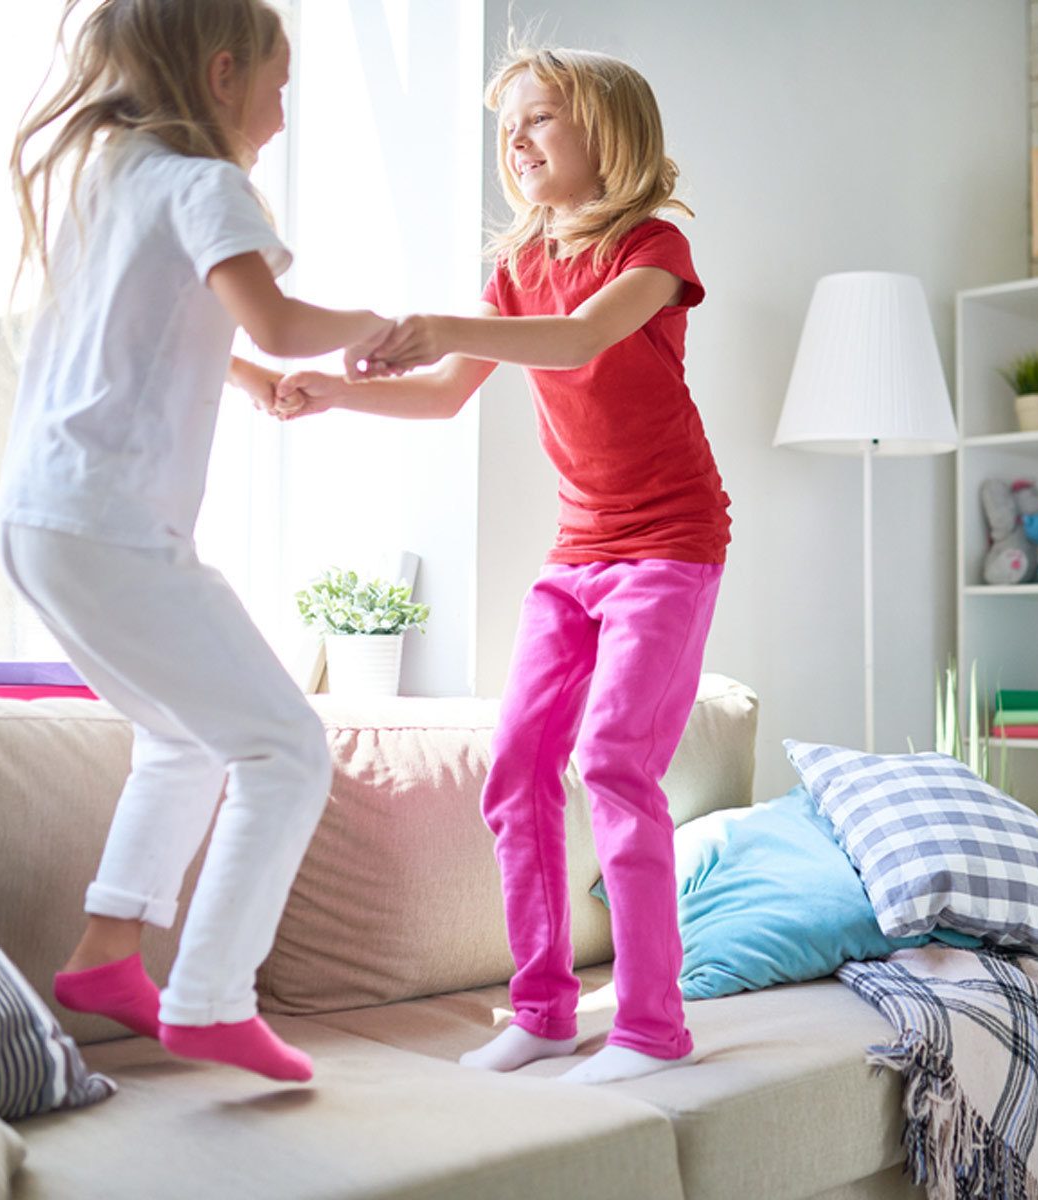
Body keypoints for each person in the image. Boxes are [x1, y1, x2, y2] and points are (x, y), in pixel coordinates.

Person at [273, 44, 731, 1085]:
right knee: (517, 767)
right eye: (507, 128)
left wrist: (433, 322)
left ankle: (655, 1028)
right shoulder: (519, 270)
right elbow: (442, 395)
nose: (516, 143)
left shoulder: (651, 249)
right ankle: (544, 1010)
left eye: (539, 121)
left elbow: (577, 343)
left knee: (614, 760)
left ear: (604, 133)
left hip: (670, 545)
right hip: (577, 554)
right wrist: (333, 391)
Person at [0, 0, 400, 1083]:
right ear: (222, 74)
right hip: (112, 528)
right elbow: (271, 315)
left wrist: (252, 378)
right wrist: (377, 325)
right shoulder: (208, 183)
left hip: (39, 521)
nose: (282, 106)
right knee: (285, 750)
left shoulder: (111, 172)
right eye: (277, 80)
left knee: (181, 740)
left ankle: (107, 950)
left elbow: (144, 319)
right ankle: (212, 996)